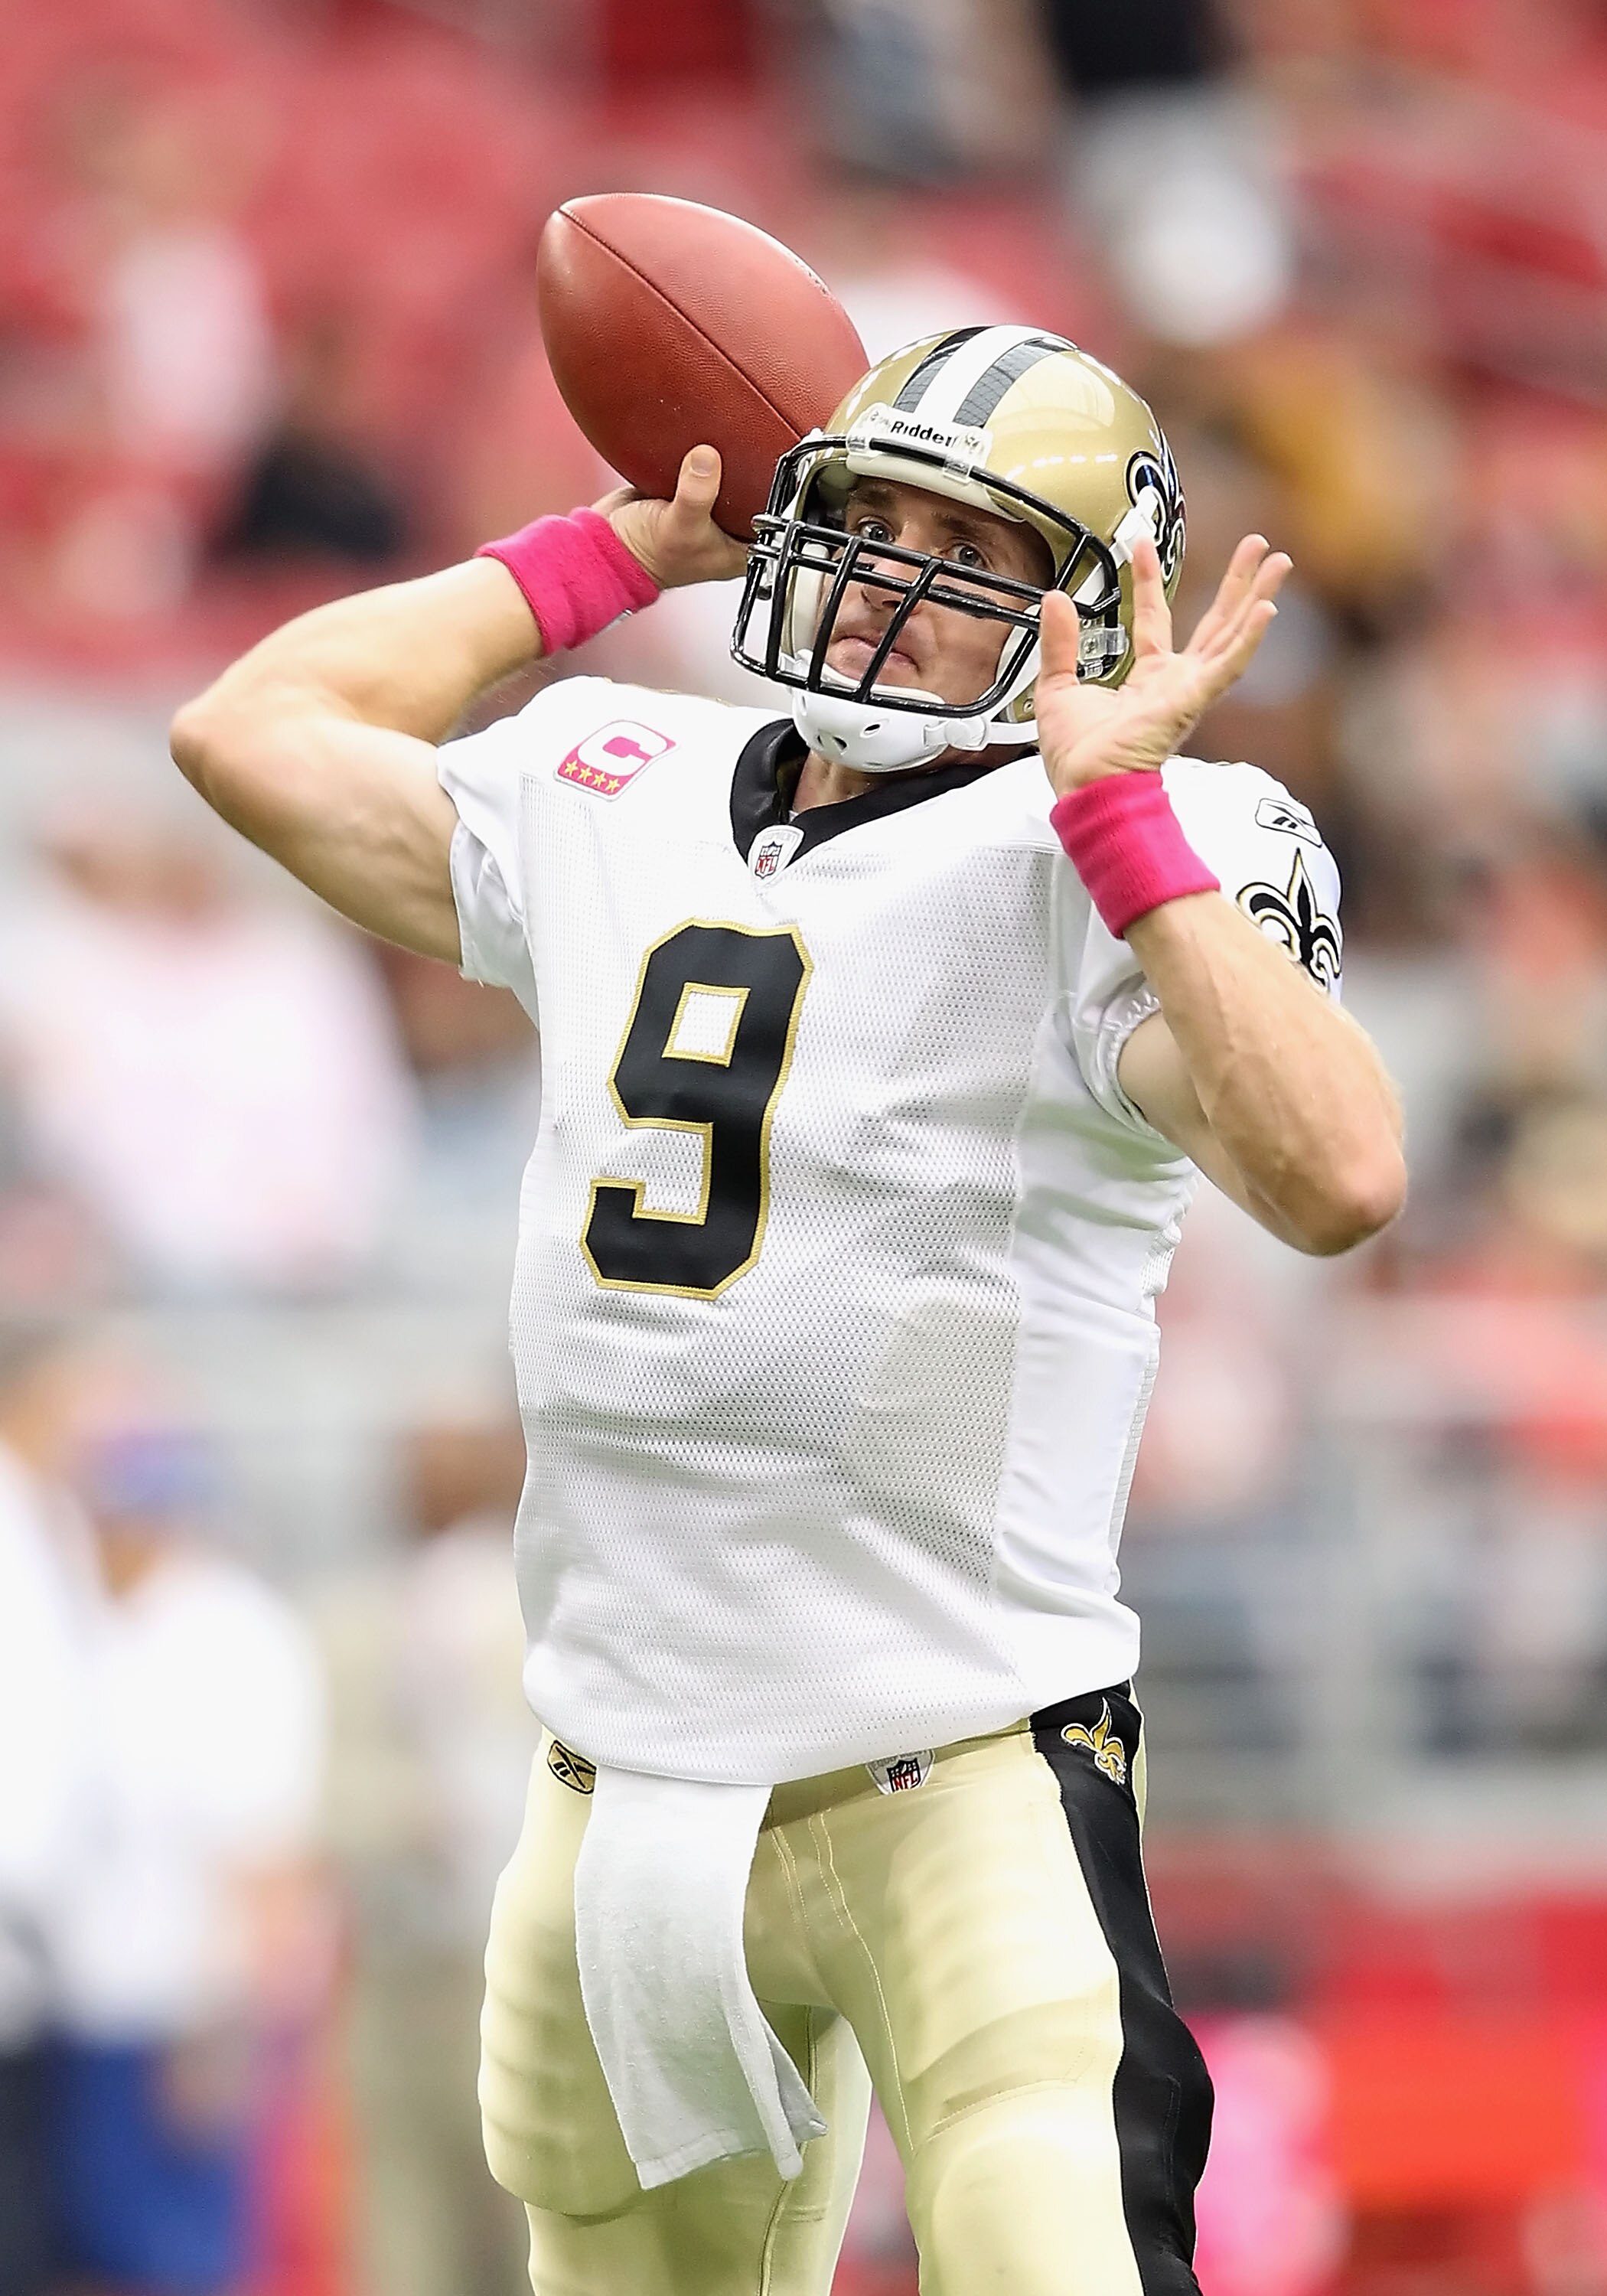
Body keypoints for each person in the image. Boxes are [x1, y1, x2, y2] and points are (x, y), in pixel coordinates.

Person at [171, 324, 1406, 2294]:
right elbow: (250, 735)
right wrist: (590, 563)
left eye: (973, 554)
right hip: (614, 1792)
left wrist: (1125, 826)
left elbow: (1335, 1172)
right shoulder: (624, 779)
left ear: (1092, 614)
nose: (901, 585)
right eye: (872, 522)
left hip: (962, 1779)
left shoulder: (1127, 847)